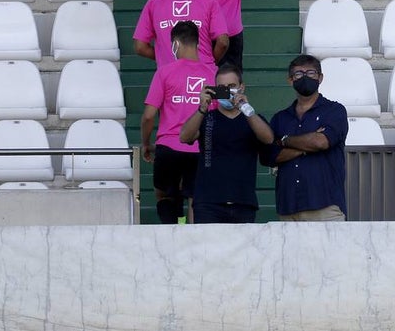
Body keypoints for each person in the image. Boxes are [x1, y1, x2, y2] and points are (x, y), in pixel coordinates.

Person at [179, 63, 274, 224]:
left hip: (243, 202)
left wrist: (245, 107)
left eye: (232, 86)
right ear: (215, 90)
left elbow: (268, 138)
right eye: (222, 87)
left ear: (241, 87)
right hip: (208, 203)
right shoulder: (207, 117)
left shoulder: (252, 119)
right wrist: (202, 107)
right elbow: (185, 137)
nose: (228, 91)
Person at [140, 21, 214, 224]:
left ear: (175, 44)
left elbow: (148, 115)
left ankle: (170, 238)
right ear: (198, 43)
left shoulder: (164, 72)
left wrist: (146, 143)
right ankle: (191, 244)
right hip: (199, 147)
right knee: (194, 198)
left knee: (164, 195)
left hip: (169, 146)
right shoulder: (212, 73)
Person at [264, 55, 349, 222]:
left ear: (320, 77)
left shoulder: (334, 111)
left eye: (311, 73)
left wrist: (284, 140)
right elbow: (270, 156)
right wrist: (307, 145)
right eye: (298, 74)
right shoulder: (280, 118)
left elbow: (321, 142)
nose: (305, 77)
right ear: (290, 80)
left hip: (325, 206)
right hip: (289, 207)